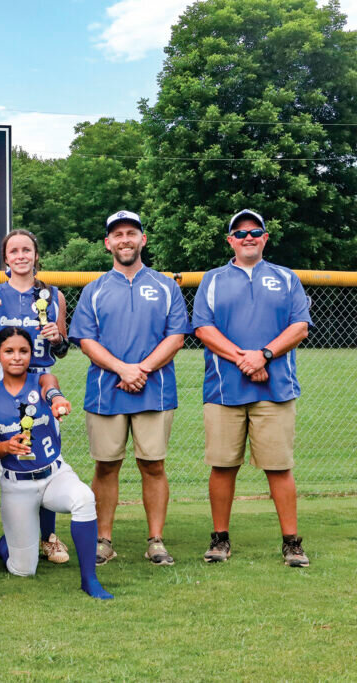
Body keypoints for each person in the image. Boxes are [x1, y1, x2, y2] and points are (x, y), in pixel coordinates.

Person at [68, 211, 190, 566]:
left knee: (153, 465)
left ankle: (156, 540)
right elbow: (86, 341)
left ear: (143, 239)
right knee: (106, 466)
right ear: (108, 243)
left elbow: (176, 337)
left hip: (155, 389)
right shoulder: (94, 289)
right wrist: (123, 369)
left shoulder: (166, 286)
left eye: (131, 233)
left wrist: (142, 369)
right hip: (107, 390)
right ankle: (103, 540)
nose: (125, 239)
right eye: (118, 234)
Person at [192, 209, 312, 568]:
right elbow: (203, 328)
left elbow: (300, 326)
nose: (248, 237)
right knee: (222, 466)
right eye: (240, 232)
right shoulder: (213, 279)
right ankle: (220, 539)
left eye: (255, 232)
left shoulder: (286, 277)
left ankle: (291, 543)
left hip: (275, 390)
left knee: (279, 467)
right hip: (224, 389)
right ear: (230, 239)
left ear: (265, 238)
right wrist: (245, 360)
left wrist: (264, 355)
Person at [0, 328, 113, 600]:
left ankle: (89, 579)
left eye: (23, 351)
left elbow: (51, 390)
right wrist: (7, 447)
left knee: (84, 498)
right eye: (9, 351)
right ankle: (7, 546)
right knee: (23, 570)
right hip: (17, 485)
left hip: (54, 476)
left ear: (31, 354)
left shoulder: (42, 378)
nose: (17, 357)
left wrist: (58, 399)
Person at [0, 228, 69, 565]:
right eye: (14, 251)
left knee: (45, 454)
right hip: (2, 377)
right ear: (5, 258)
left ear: (36, 255)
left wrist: (57, 338)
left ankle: (48, 536)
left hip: (40, 377)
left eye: (27, 250)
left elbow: (63, 349)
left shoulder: (54, 295)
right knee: (8, 453)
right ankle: (14, 533)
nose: (21, 256)